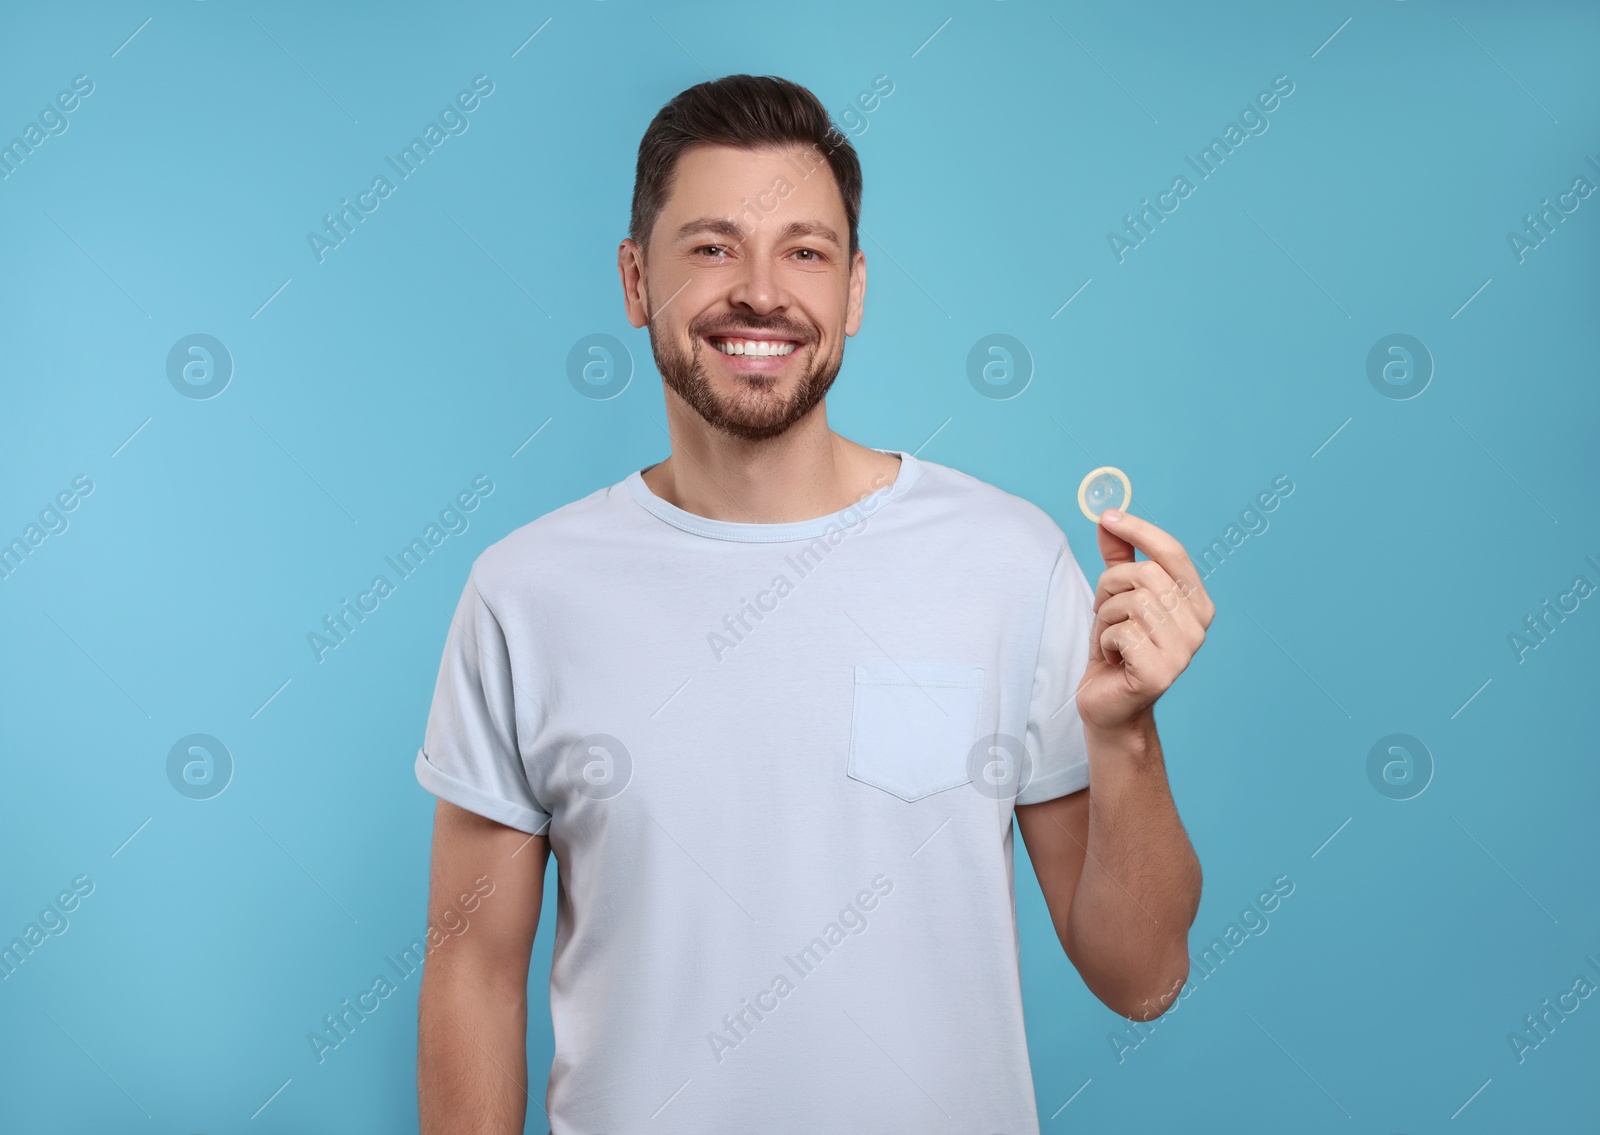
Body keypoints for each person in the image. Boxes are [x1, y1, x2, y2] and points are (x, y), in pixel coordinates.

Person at [414, 73, 1211, 1134]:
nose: (759, 291)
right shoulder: (524, 594)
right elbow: (470, 974)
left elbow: (1141, 977)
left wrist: (1129, 737)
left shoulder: (1007, 561)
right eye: (709, 247)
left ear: (854, 290)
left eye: (804, 250)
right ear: (633, 280)